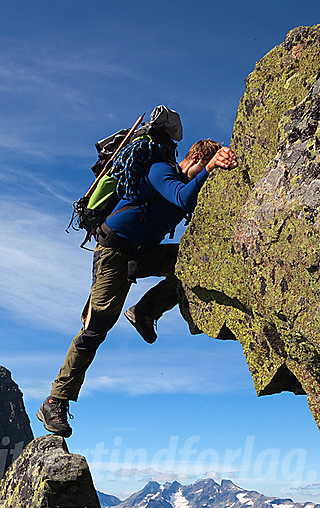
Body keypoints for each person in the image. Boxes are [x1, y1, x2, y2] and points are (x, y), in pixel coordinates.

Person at [37, 135, 238, 437]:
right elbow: (183, 197)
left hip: (139, 252)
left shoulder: (183, 182)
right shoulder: (161, 170)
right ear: (195, 158)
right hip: (114, 251)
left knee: (193, 263)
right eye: (203, 167)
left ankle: (145, 311)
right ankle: (55, 400)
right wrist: (211, 168)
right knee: (97, 326)